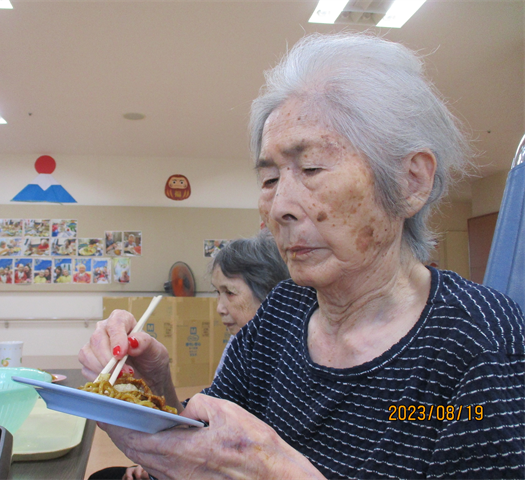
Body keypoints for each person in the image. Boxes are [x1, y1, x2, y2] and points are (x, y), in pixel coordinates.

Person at [78, 33, 525, 479]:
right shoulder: (282, 312)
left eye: (311, 168)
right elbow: (206, 456)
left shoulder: (479, 342)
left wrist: (276, 471)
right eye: (269, 179)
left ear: (410, 182)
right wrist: (155, 388)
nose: (279, 206)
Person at [87, 231, 289, 480]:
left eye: (230, 293)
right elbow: (198, 423)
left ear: (273, 294)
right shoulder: (239, 346)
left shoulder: (284, 356)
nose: (220, 308)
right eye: (217, 292)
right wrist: (156, 381)